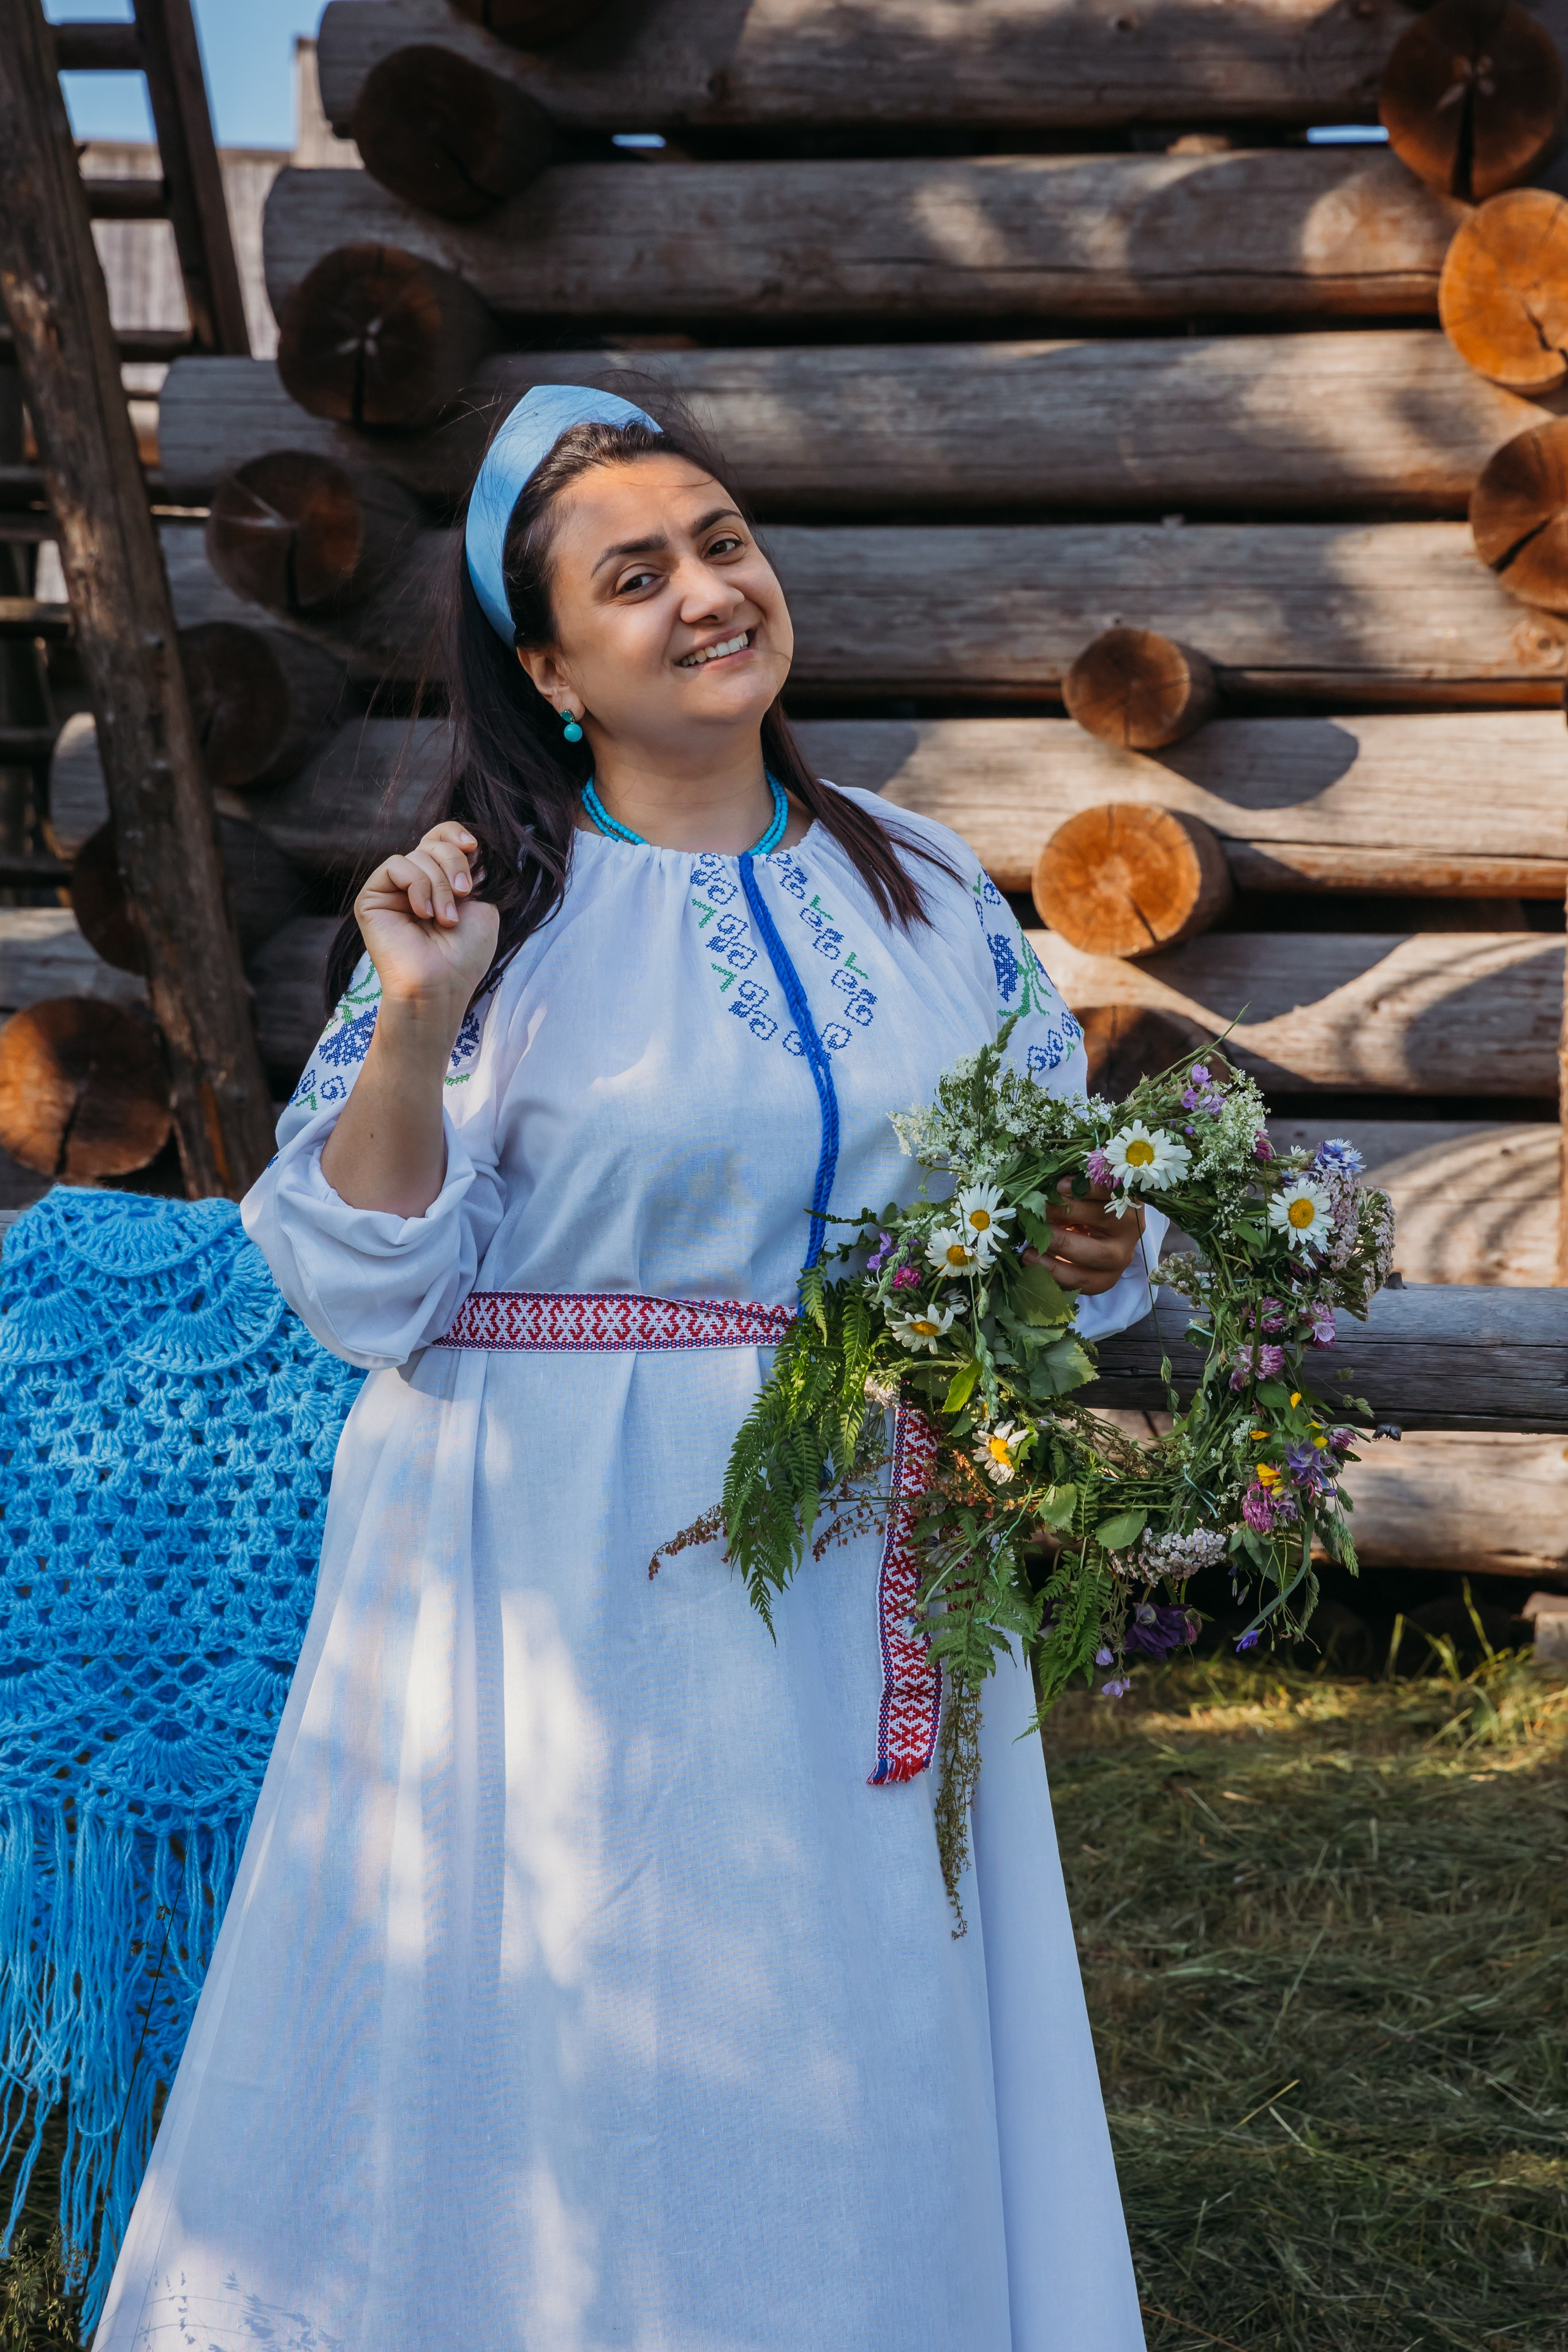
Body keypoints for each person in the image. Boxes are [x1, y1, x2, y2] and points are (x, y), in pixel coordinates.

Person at [96, 386, 1158, 2351]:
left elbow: (1041, 1182)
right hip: (543, 1551)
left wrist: (1093, 1240)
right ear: (548, 667)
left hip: (853, 1548)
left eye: (724, 541)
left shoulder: (920, 888)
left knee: (847, 1986)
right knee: (565, 1978)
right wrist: (417, 1024)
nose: (706, 592)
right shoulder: (490, 914)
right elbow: (359, 1279)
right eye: (635, 575)